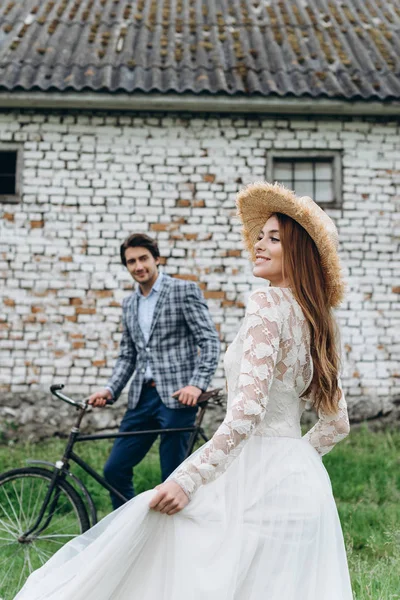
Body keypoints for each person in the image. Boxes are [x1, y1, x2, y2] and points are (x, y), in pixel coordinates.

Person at [16, 182, 353, 600]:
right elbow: (336, 425)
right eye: (259, 236)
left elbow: (247, 414)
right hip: (303, 484)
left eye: (273, 239)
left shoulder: (267, 305)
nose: (258, 246)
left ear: (299, 253)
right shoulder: (319, 320)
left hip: (252, 475)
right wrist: (293, 457)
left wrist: (189, 480)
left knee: (170, 549)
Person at [88, 233, 220, 509]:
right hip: (141, 399)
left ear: (156, 259)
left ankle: (177, 542)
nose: (138, 266)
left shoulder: (184, 291)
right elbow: (128, 355)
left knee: (173, 480)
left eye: (143, 259)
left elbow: (208, 341)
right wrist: (110, 389)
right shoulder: (130, 304)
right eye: (131, 261)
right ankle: (133, 531)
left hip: (178, 397)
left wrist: (196, 385)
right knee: (114, 470)